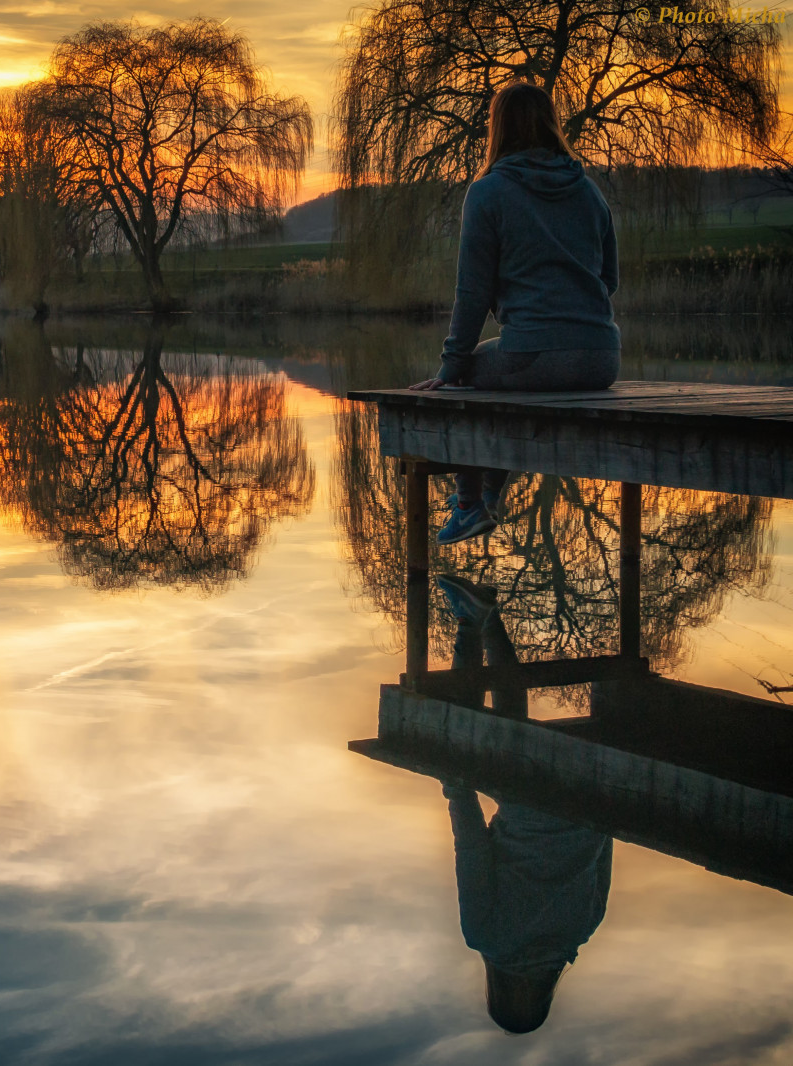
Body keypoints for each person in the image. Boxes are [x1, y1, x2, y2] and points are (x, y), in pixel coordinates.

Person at [410, 82, 622, 546]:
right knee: (497, 364)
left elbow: (472, 292)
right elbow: (609, 280)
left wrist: (450, 366)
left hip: (536, 354)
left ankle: (470, 506)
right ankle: (485, 496)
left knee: (468, 374)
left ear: (498, 129)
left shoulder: (488, 193)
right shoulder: (588, 191)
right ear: (551, 124)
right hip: (603, 358)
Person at [434, 572, 613, 1034]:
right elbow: (471, 851)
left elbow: (606, 841)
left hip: (592, 794)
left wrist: (600, 791)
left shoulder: (583, 930)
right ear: (495, 989)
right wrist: (455, 784)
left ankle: (484, 618)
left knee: (509, 744)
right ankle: (471, 623)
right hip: (527, 802)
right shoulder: (486, 937)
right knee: (469, 736)